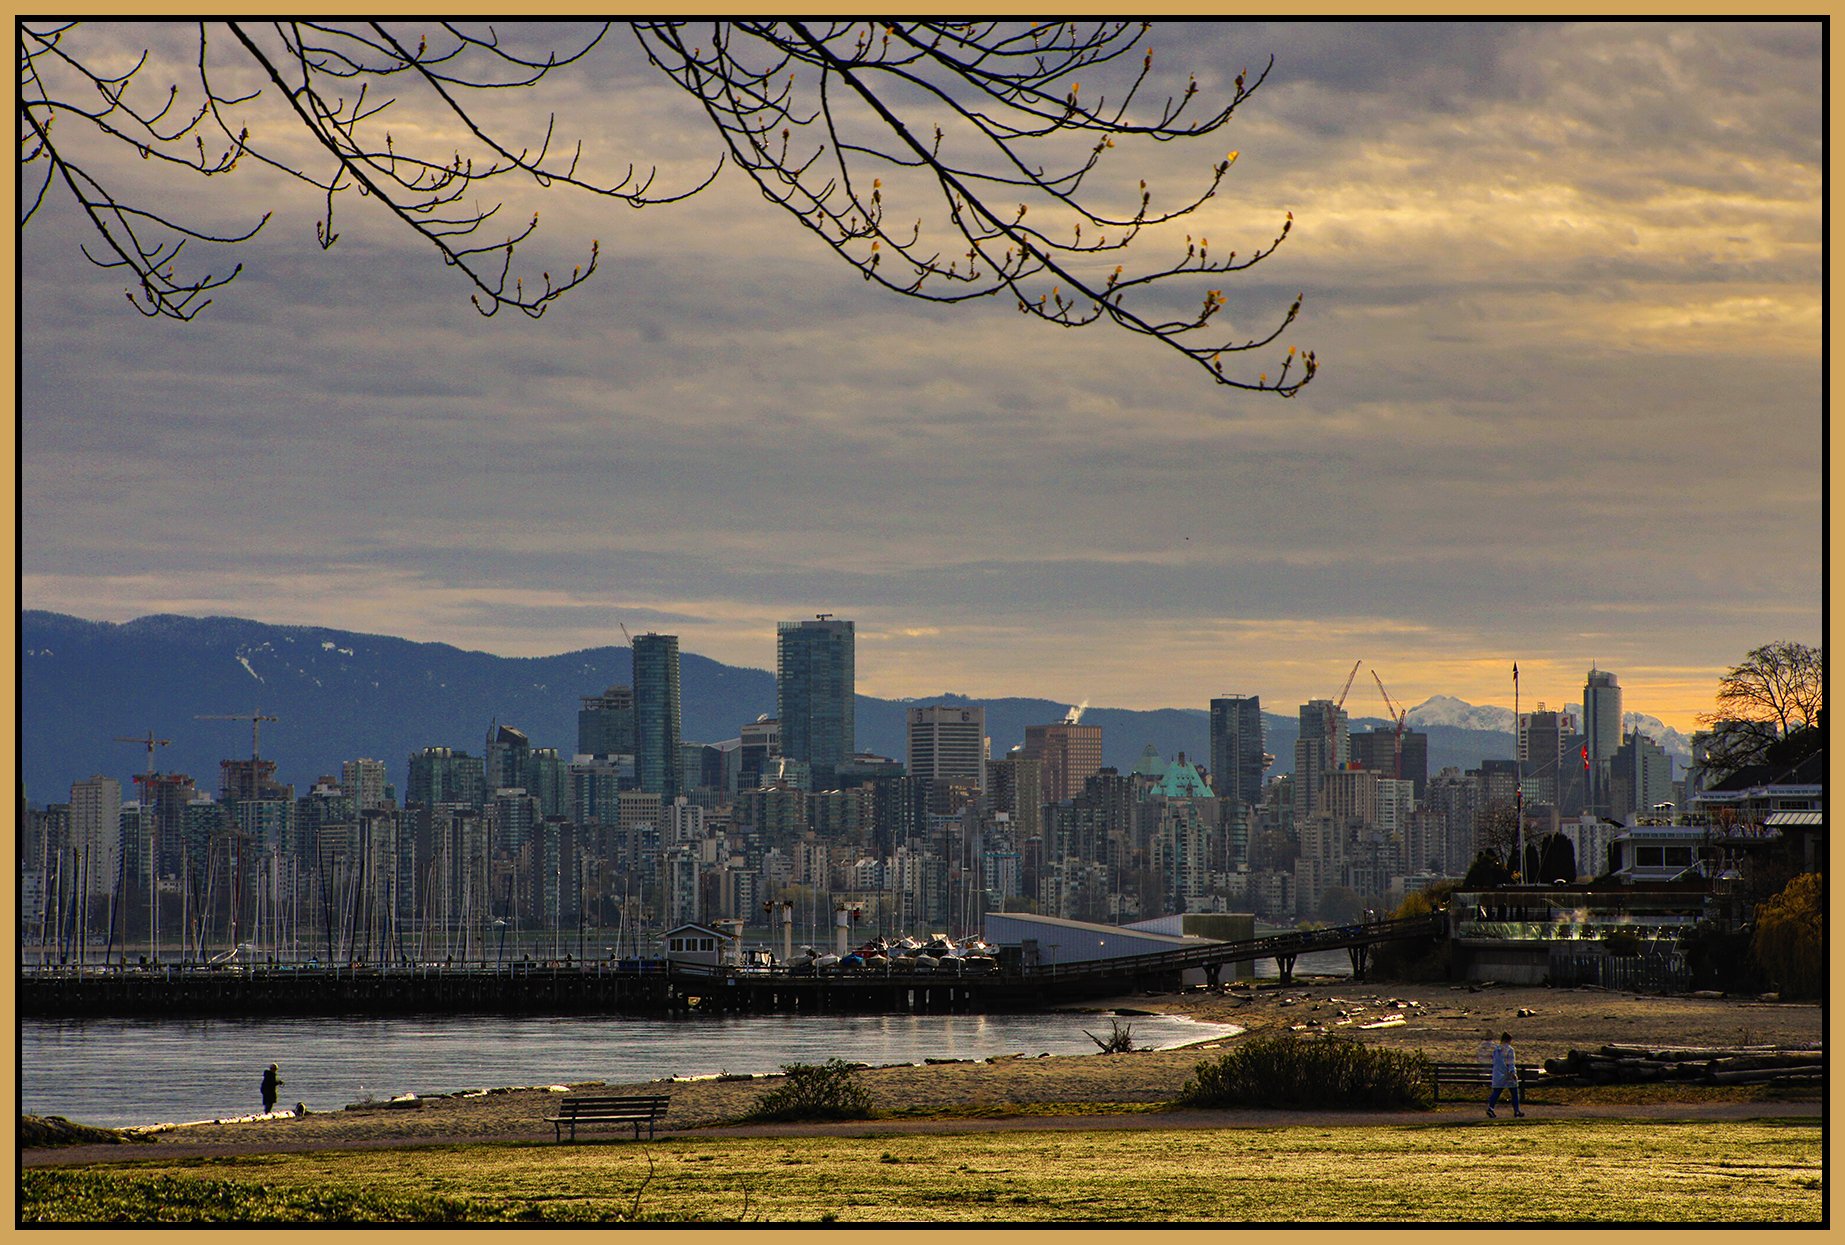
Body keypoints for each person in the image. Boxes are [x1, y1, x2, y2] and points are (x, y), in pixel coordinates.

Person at [1487, 1032, 1524, 1118]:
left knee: (1497, 1091)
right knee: (1514, 1092)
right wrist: (1513, 1073)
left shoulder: (1496, 1049)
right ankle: (1516, 1110)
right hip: (1507, 1074)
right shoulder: (1510, 1050)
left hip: (1497, 1073)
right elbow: (1510, 1063)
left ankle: (1491, 1108)